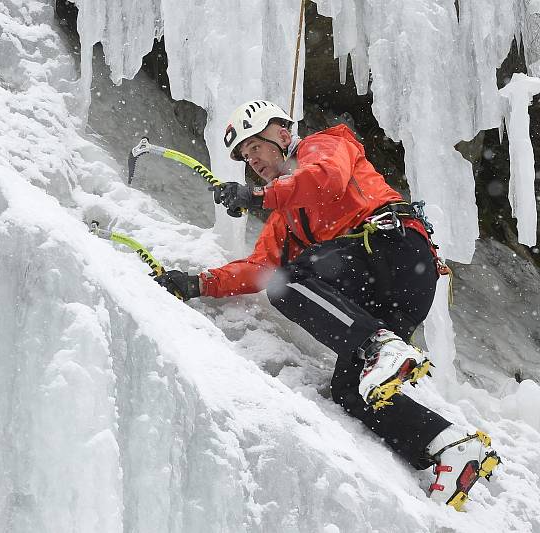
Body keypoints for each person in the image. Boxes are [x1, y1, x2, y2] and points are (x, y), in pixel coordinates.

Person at [155, 100, 500, 510]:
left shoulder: (326, 144)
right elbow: (260, 267)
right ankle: (451, 446)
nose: (253, 161)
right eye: (246, 157)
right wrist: (197, 283)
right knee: (350, 390)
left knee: (292, 281)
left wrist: (258, 196)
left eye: (256, 148)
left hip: (393, 250)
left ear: (283, 135)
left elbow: (327, 179)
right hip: (388, 293)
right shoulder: (286, 217)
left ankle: (380, 346)